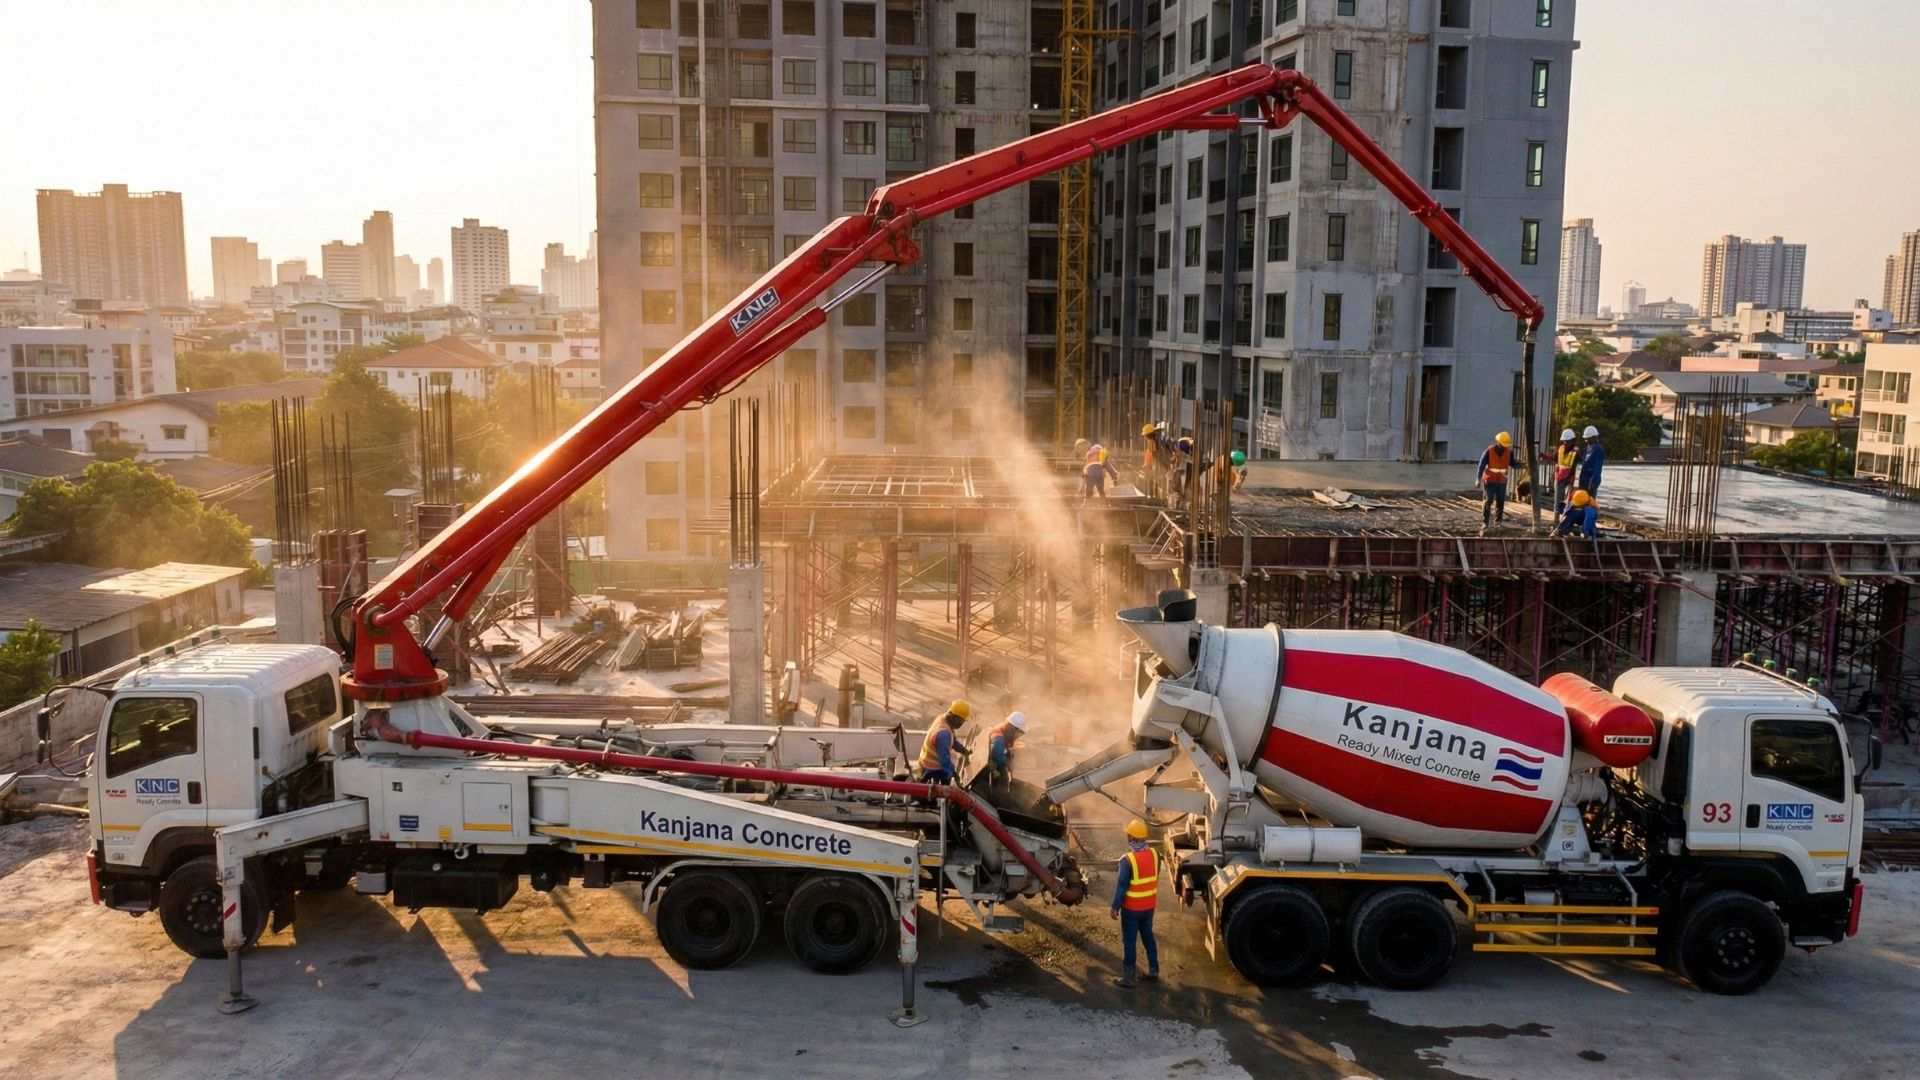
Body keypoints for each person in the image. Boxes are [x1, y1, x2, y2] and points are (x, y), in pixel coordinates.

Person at [1110, 819, 1160, 987]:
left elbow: (1121, 886)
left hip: (1132, 909)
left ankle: (1128, 978)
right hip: (1149, 906)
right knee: (1148, 936)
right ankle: (1154, 970)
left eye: (1128, 835)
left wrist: (1115, 907)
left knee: (1130, 942)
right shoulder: (1155, 855)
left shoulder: (1127, 860)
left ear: (1131, 837)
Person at [915, 700, 971, 784]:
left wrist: (963, 750)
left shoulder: (943, 719)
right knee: (947, 775)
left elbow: (952, 740)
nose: (961, 723)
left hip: (923, 762)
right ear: (954, 718)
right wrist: (953, 773)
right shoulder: (943, 735)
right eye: (961, 721)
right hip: (931, 768)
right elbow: (944, 759)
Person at [982, 711, 1028, 798]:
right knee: (1002, 778)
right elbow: (998, 755)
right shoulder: (998, 738)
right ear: (1013, 728)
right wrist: (1006, 765)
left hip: (994, 758)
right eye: (1019, 732)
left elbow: (1009, 749)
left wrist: (1010, 762)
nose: (1018, 735)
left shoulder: (1006, 731)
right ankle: (997, 797)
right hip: (990, 763)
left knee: (1004, 773)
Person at [1477, 431, 1514, 532]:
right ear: (1498, 442)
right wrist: (1478, 478)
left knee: (1500, 501)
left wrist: (1524, 465)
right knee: (1488, 500)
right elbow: (1481, 465)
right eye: (1503, 444)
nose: (1504, 447)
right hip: (1490, 480)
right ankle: (1485, 522)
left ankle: (1498, 522)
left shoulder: (1509, 453)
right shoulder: (1488, 451)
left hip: (1502, 480)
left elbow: (1512, 463)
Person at [1553, 428, 1579, 515]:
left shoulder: (1575, 451)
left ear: (1572, 441)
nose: (1566, 443)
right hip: (1560, 477)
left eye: (1568, 441)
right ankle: (1556, 517)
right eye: (1564, 441)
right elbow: (1554, 457)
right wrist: (1544, 456)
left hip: (1569, 478)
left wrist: (1571, 478)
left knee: (1569, 498)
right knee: (1558, 499)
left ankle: (1566, 516)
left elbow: (1576, 464)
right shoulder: (1560, 449)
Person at [1578, 424, 1606, 500]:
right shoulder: (1588, 448)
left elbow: (1597, 468)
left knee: (1589, 502)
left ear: (1593, 438)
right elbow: (1585, 461)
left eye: (1587, 438)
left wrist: (1593, 482)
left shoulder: (1598, 450)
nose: (1586, 440)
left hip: (1591, 481)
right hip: (1583, 480)